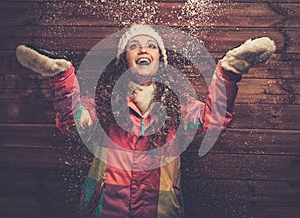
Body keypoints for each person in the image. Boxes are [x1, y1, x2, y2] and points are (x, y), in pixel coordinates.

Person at [16, 24, 276, 218]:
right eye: (134, 45)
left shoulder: (180, 107)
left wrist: (228, 72)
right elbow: (74, 123)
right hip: (104, 211)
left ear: (160, 59)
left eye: (151, 45)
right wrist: (62, 78)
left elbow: (212, 122)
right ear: (123, 59)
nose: (143, 49)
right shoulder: (104, 106)